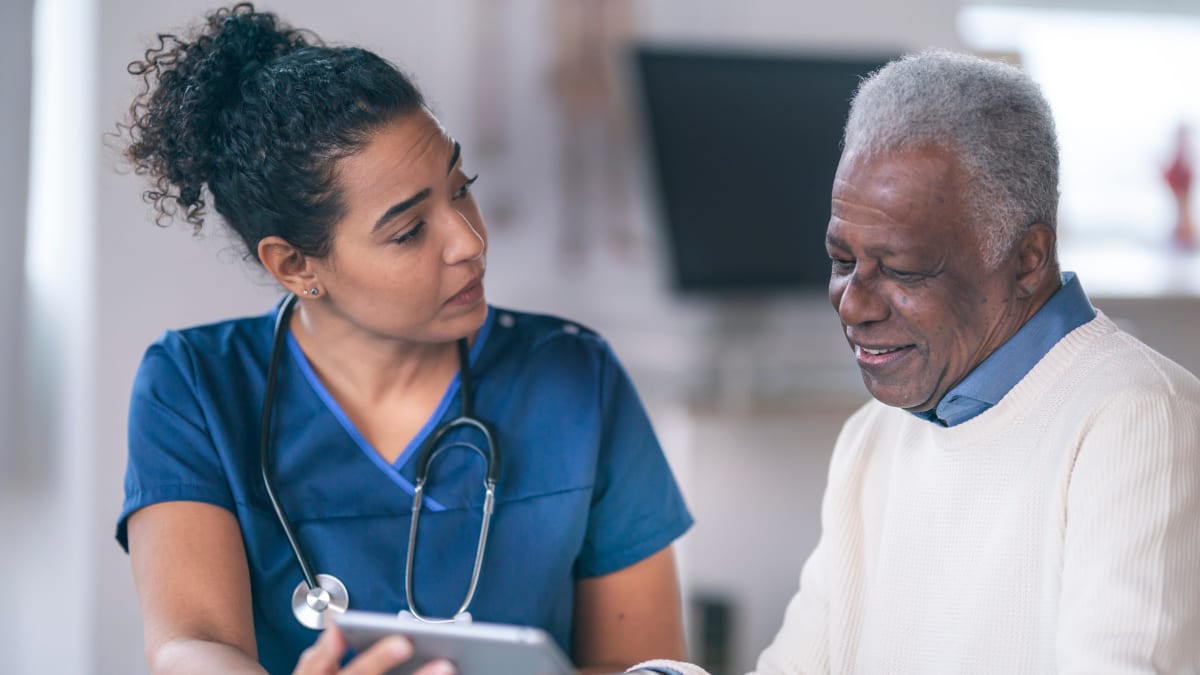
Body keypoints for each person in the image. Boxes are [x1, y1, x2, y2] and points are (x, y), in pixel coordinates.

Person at [113, 4, 693, 674]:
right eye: (409, 231)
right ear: (296, 265)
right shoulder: (193, 386)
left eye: (461, 188)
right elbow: (192, 644)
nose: (470, 242)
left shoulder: (575, 377)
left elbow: (649, 663)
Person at [629, 49, 1200, 675]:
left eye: (901, 270)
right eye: (841, 261)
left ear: (1029, 259)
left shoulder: (1142, 421)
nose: (853, 305)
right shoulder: (872, 438)